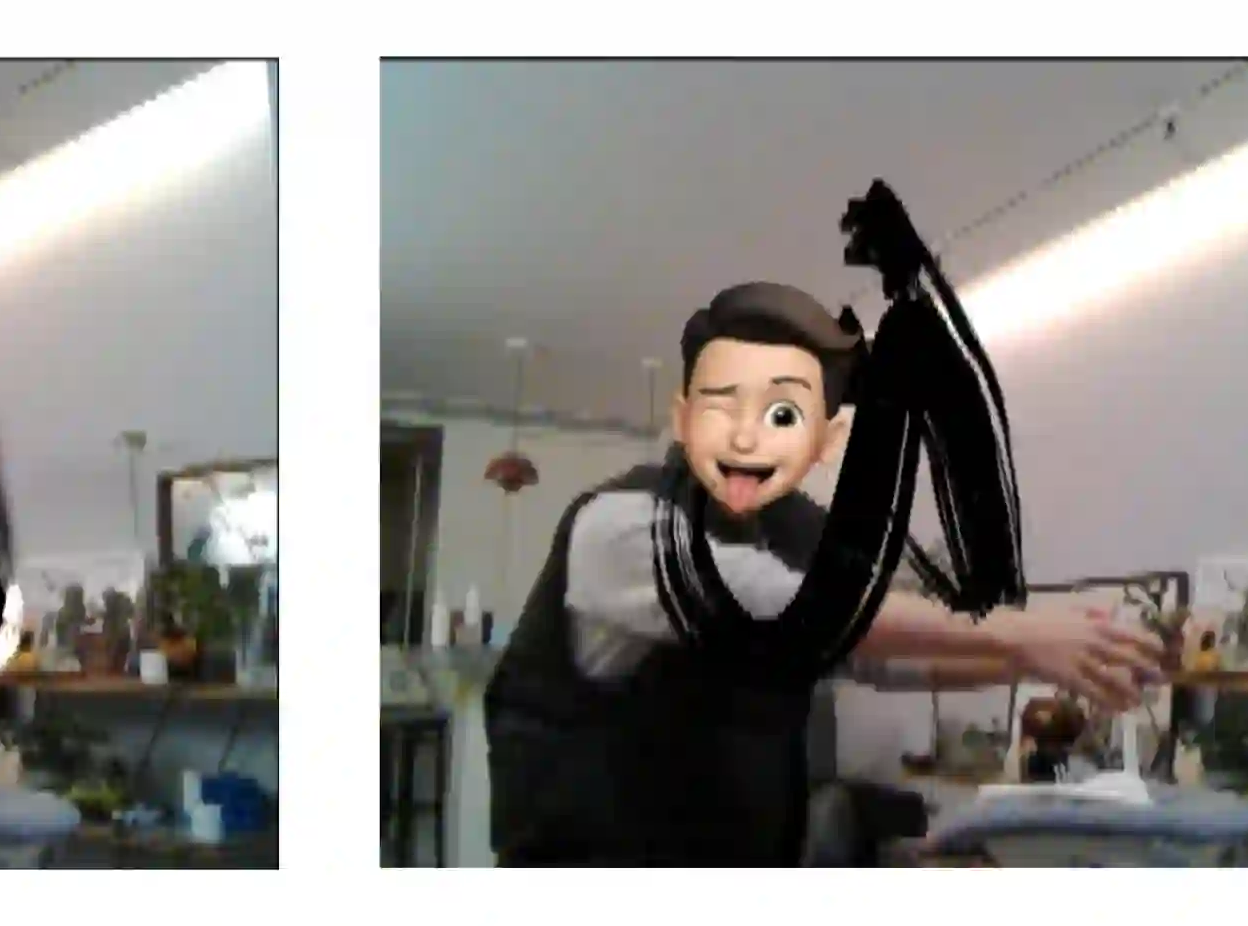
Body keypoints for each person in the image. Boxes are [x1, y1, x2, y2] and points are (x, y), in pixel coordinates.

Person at [483, 282, 1170, 866]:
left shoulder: (800, 533)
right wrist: (1023, 634)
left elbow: (882, 656)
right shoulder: (618, 528)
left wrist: (1055, 654)